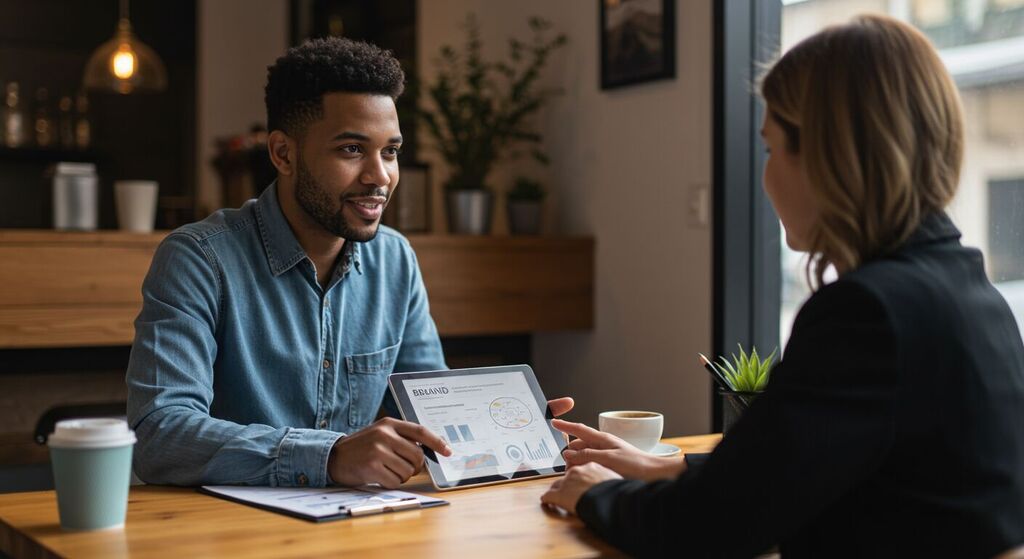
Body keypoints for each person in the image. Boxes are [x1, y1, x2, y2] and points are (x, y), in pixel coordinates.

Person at [541, 15, 1024, 558]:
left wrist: (598, 495)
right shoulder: (975, 298)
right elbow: (812, 470)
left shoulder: (867, 314)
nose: (765, 175)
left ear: (825, 157)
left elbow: (708, 529)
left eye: (771, 149)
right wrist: (667, 466)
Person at [126, 37, 572, 489]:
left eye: (391, 151)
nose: (380, 176)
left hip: (352, 523)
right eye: (352, 150)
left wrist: (504, 431)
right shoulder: (197, 259)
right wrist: (331, 456)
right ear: (283, 154)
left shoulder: (394, 259)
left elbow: (429, 411)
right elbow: (161, 435)